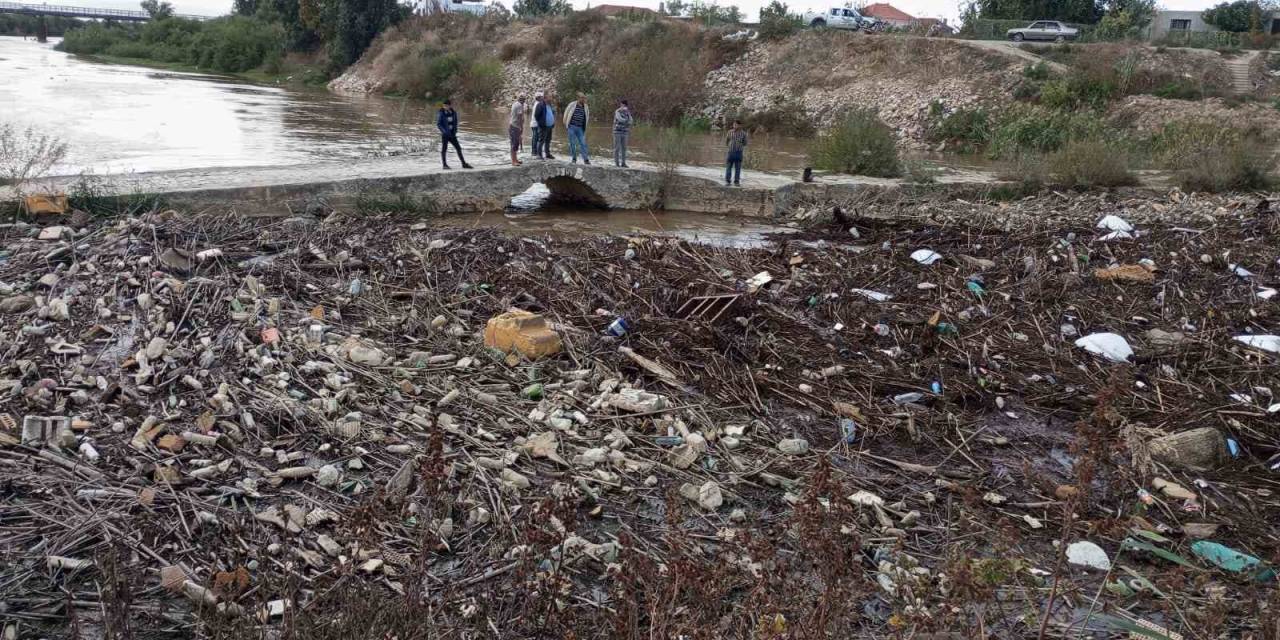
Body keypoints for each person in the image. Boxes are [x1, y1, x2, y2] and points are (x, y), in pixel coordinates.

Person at [436, 99, 472, 170]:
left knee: (458, 148)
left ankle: (464, 164)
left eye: (446, 106)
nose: (445, 107)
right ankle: (444, 165)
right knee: (444, 149)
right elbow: (439, 124)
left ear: (450, 106)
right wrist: (444, 131)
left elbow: (455, 122)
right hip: (445, 135)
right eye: (444, 106)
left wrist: (455, 131)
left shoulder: (453, 112)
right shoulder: (441, 113)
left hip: (452, 134)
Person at [564, 92, 590, 164]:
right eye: (582, 98)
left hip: (580, 128)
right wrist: (566, 124)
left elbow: (587, 117)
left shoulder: (586, 106)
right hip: (571, 126)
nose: (583, 99)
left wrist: (585, 126)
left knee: (583, 143)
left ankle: (586, 159)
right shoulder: (572, 105)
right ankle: (574, 158)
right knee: (572, 143)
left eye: (584, 98)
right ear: (578, 98)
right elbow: (566, 113)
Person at [725, 119, 748, 186]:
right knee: (729, 167)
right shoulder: (729, 132)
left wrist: (739, 146)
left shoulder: (743, 134)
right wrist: (729, 147)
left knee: (738, 168)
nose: (734, 126)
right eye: (734, 124)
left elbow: (745, 143)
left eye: (736, 124)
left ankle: (736, 181)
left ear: (740, 125)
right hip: (730, 152)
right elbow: (727, 141)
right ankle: (728, 181)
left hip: (738, 152)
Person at [612, 99, 633, 168]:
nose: (622, 106)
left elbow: (631, 121)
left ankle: (623, 163)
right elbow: (620, 119)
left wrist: (627, 120)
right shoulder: (617, 111)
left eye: (624, 105)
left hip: (625, 133)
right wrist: (627, 121)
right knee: (617, 148)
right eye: (621, 105)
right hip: (617, 132)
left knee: (624, 148)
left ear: (626, 105)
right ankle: (617, 163)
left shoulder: (628, 112)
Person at [508, 95, 526, 166]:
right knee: (514, 144)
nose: (524, 101)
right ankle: (513, 161)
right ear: (523, 100)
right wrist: (521, 128)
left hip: (512, 126)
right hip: (515, 127)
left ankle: (515, 159)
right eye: (524, 100)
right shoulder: (519, 105)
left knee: (515, 143)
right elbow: (520, 117)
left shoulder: (515, 104)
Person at [539, 94, 556, 159]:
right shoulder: (541, 105)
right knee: (542, 140)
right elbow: (536, 115)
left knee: (548, 140)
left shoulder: (550, 105)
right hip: (544, 126)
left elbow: (553, 113)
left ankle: (547, 154)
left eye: (551, 97)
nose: (551, 98)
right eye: (550, 97)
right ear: (545, 98)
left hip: (550, 126)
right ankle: (539, 155)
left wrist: (553, 122)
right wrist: (541, 124)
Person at [531, 92, 546, 159]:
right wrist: (540, 122)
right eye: (542, 97)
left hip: (534, 123)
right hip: (536, 124)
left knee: (535, 138)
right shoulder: (538, 104)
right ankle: (535, 152)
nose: (543, 98)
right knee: (536, 138)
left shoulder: (536, 104)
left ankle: (534, 152)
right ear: (539, 97)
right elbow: (536, 115)